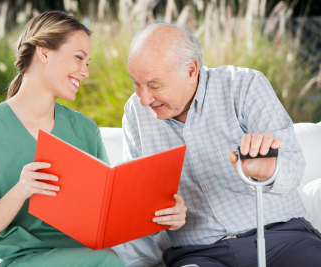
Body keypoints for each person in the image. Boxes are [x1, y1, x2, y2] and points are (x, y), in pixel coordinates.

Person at [122, 23, 321, 267]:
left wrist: (268, 172)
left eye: (154, 85)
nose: (144, 99)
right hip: (197, 254)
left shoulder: (245, 85)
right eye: (136, 83)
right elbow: (135, 205)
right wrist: (158, 216)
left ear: (191, 70)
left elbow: (292, 166)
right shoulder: (134, 114)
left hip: (283, 239)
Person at [0, 11, 127, 267]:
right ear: (43, 52)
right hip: (11, 258)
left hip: (79, 254)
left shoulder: (86, 131)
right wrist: (22, 190)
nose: (85, 72)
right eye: (79, 58)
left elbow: (103, 214)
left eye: (87, 62)